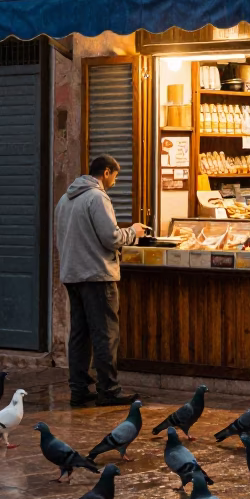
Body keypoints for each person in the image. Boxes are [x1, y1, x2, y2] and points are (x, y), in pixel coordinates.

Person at [55, 154, 145, 407]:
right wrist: (133, 232)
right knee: (106, 334)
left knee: (80, 335)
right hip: (97, 274)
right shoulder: (97, 197)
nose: (115, 181)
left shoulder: (65, 199)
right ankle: (109, 390)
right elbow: (111, 237)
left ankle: (79, 390)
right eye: (115, 176)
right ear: (106, 172)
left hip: (72, 274)